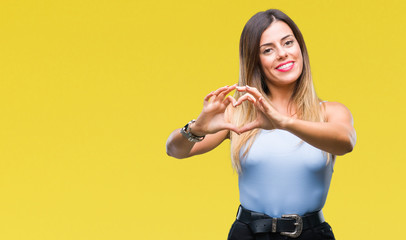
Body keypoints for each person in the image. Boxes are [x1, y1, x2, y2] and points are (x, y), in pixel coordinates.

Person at [166, 9, 356, 240]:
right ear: (255, 61)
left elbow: (345, 142)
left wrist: (284, 122)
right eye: (268, 50)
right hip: (249, 234)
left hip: (311, 234)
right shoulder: (240, 115)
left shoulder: (329, 112)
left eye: (288, 43)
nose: (282, 54)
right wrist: (196, 129)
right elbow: (174, 150)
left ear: (300, 48)